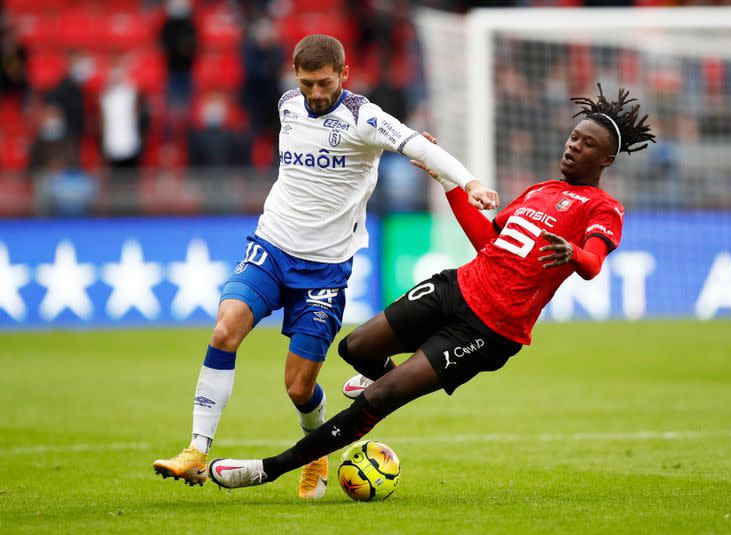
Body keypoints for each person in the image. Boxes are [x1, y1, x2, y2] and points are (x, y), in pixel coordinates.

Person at [202, 84, 656, 491]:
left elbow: (593, 264)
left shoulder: (604, 207)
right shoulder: (538, 191)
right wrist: (447, 183)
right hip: (456, 287)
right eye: (574, 137)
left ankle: (267, 469)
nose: (574, 146)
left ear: (607, 160)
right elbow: (487, 242)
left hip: (490, 329)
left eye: (588, 144)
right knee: (355, 347)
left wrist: (573, 253)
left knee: (381, 398)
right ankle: (389, 379)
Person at [152, 34, 496, 500]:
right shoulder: (287, 105)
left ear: (344, 74)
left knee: (297, 389)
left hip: (325, 270)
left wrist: (470, 182)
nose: (315, 93)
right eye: (308, 82)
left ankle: (316, 453)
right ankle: (196, 450)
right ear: (295, 77)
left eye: (325, 83)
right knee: (224, 330)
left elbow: (421, 147)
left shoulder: (365, 118)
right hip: (271, 247)